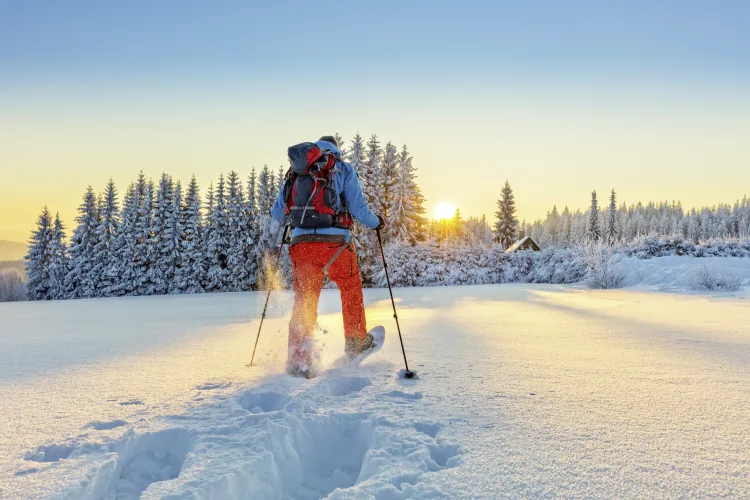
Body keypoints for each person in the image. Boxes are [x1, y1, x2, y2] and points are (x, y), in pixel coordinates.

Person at [271, 135, 383, 377]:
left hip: (301, 245)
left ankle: (299, 360)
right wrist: (377, 223)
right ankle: (355, 342)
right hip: (336, 244)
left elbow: (277, 213)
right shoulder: (341, 168)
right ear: (336, 149)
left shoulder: (296, 171)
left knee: (305, 299)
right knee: (350, 287)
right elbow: (358, 209)